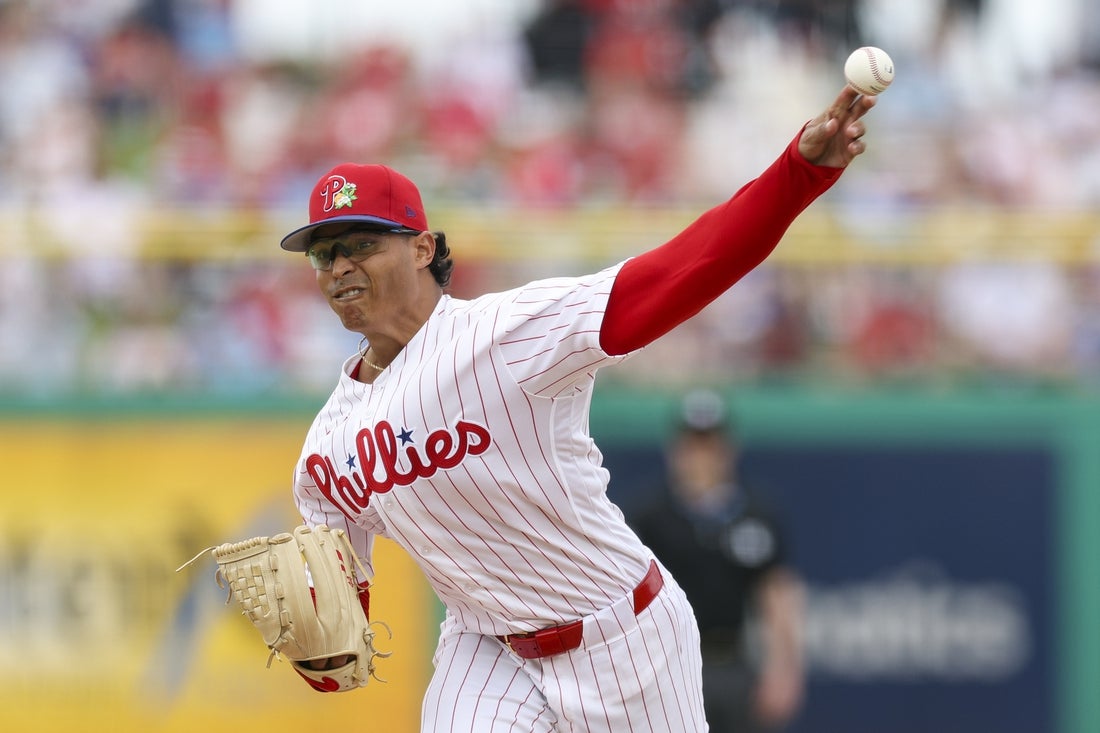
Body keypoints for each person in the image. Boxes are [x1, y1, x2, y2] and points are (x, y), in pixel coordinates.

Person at [276, 85, 875, 732]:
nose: (340, 266)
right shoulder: (327, 449)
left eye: (361, 244)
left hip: (623, 636)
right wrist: (319, 641)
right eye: (324, 254)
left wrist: (797, 173)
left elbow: (683, 269)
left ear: (422, 249)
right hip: (485, 649)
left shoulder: (505, 333)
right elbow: (337, 630)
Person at [629, 390, 805, 732]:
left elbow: (776, 593)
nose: (702, 456)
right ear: (676, 449)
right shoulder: (649, 516)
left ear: (728, 448)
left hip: (733, 662)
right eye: (693, 444)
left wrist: (784, 668)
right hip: (670, 667)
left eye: (710, 444)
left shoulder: (755, 513)